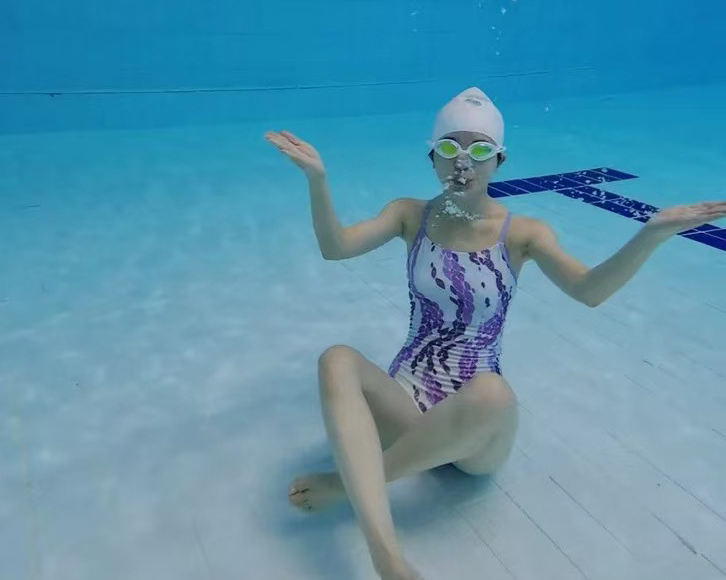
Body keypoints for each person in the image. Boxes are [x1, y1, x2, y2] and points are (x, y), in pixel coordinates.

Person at [264, 87, 725, 580]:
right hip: (405, 405)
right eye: (450, 147)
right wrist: (317, 180)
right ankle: (388, 560)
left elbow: (589, 290)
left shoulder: (523, 232)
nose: (463, 161)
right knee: (336, 358)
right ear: (432, 157)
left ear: (500, 159)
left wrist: (651, 233)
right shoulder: (409, 214)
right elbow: (336, 247)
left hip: (476, 432)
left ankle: (345, 486)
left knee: (493, 392)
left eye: (479, 149)